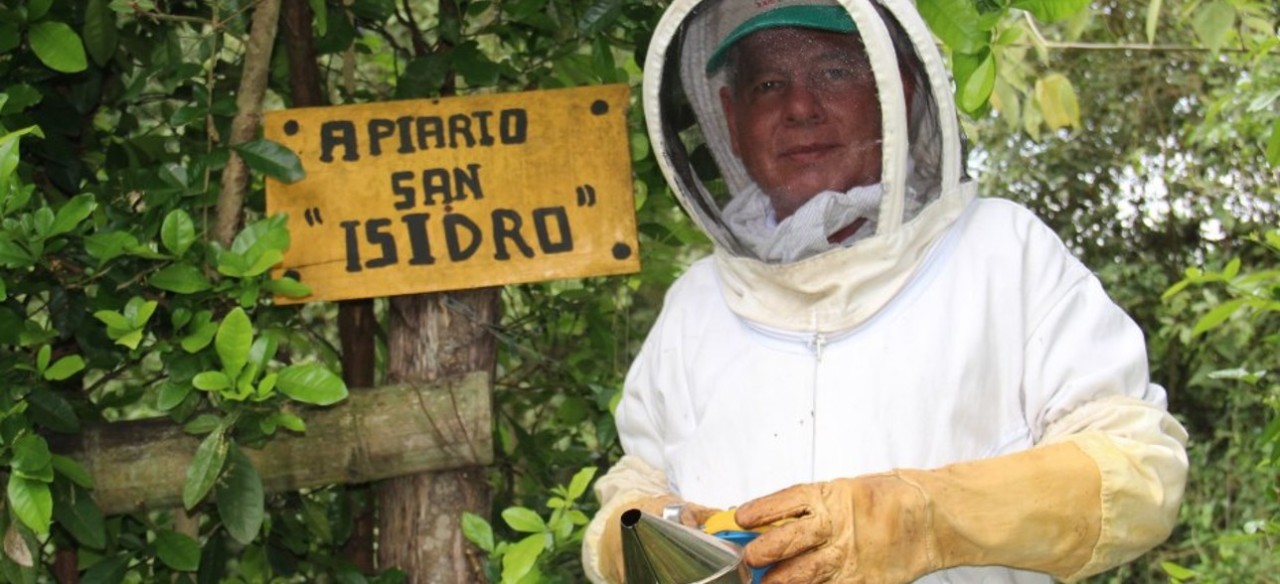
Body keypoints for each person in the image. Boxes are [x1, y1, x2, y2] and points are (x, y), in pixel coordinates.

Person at [582, 0, 1189, 582]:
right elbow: (639, 479)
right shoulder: (695, 305)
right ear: (731, 119)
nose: (800, 107)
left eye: (834, 71)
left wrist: (921, 518)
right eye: (768, 85)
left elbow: (1136, 472)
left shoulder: (1002, 252)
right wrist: (629, 536)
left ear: (895, 91)